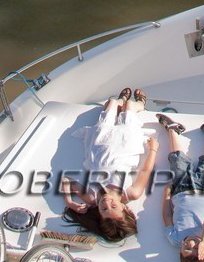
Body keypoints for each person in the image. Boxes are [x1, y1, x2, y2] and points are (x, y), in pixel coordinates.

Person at [60, 88, 159, 243]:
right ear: (125, 208)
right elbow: (146, 170)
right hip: (125, 145)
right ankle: (140, 103)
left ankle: (119, 102)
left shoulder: (91, 197)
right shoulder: (131, 193)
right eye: (114, 207)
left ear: (99, 212)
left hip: (100, 144)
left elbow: (66, 180)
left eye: (104, 209)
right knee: (130, 106)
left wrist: (69, 202)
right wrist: (153, 149)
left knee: (112, 102)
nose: (106, 203)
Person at [158, 113, 204, 262]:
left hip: (180, 190)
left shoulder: (176, 239)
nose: (192, 245)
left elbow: (167, 217)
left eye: (187, 250)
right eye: (197, 250)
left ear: (180, 251)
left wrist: (166, 197)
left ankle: (172, 130)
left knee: (177, 160)